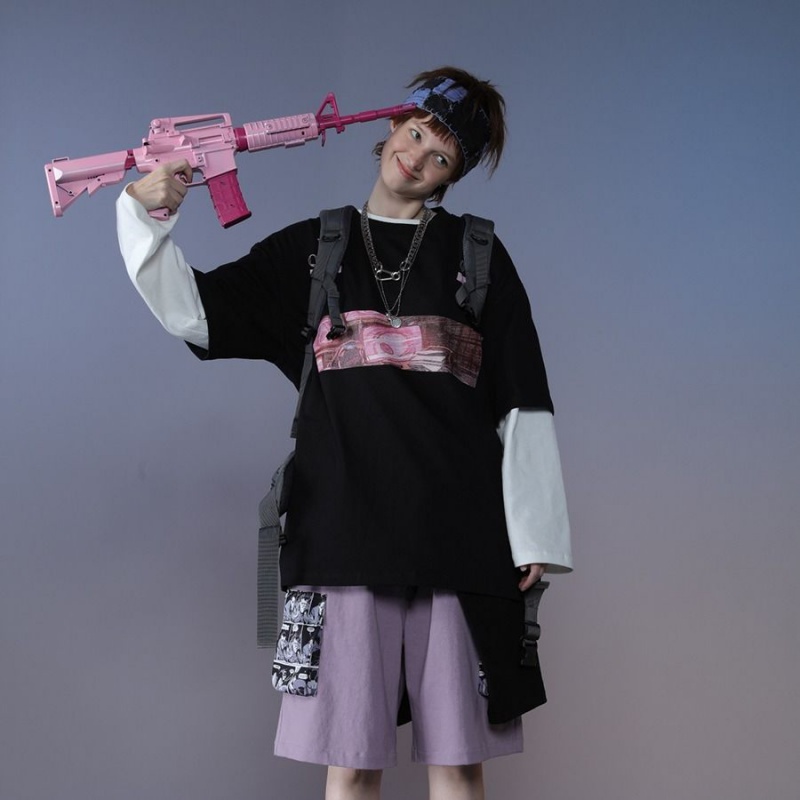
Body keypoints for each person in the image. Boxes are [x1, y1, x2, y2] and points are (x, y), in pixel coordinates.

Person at [117, 66, 572, 800]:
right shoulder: (314, 249)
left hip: (460, 540)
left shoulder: (479, 256)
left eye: (441, 156)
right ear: (391, 126)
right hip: (342, 541)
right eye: (415, 133)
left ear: (450, 177)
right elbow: (195, 314)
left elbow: (524, 397)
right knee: (351, 764)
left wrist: (536, 531)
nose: (416, 158)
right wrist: (147, 214)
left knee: (459, 765)